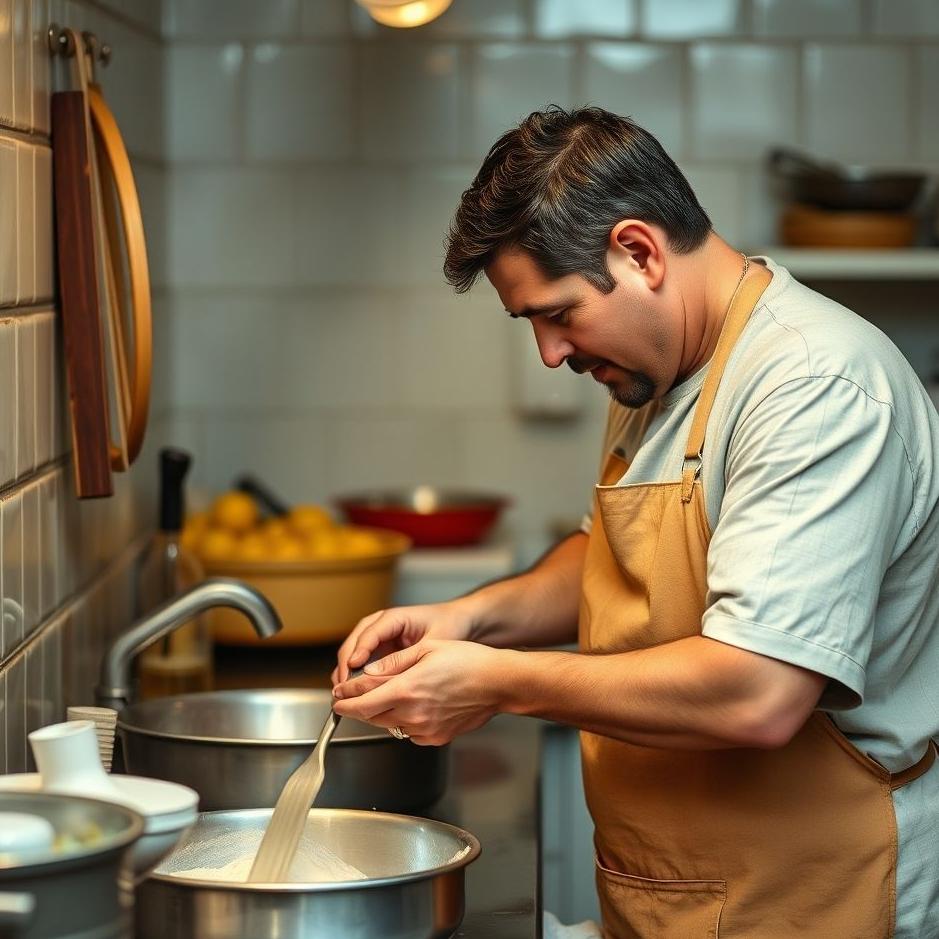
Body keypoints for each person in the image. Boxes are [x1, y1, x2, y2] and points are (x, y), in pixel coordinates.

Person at [331, 106, 939, 938]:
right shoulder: (655, 369)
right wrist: (471, 617)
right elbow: (609, 549)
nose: (549, 353)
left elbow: (756, 693)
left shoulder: (811, 385)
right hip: (678, 887)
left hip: (812, 899)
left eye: (557, 313)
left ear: (640, 252)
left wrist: (497, 681)